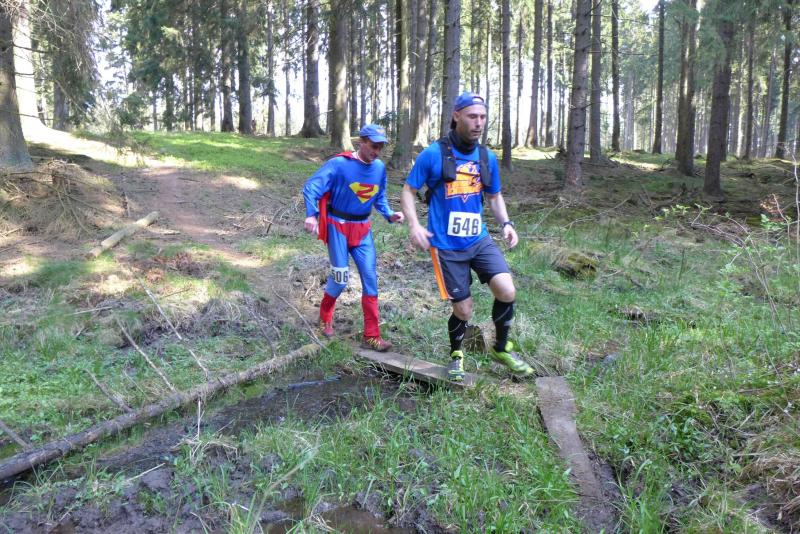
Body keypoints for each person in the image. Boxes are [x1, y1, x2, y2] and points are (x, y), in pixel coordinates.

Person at [400, 92, 534, 381]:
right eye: (473, 116)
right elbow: (408, 191)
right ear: (456, 116)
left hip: (479, 239)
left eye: (483, 117)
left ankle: (501, 348)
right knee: (464, 309)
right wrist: (414, 225)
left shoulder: (486, 157)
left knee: (507, 291)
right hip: (446, 246)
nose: (479, 123)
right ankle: (456, 356)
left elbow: (494, 196)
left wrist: (506, 223)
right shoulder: (434, 154)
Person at [303, 124, 404, 351]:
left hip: (362, 230)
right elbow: (311, 187)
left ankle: (372, 335)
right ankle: (325, 318)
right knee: (340, 279)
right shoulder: (340, 164)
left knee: (370, 279)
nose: (377, 151)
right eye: (373, 146)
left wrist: (390, 214)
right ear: (361, 142)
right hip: (337, 227)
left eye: (381, 147)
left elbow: (379, 197)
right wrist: (311, 215)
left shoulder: (379, 168)